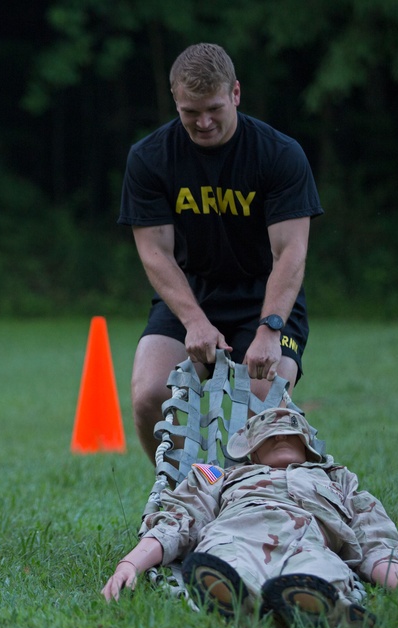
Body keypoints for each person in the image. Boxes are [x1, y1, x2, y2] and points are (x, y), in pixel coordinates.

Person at [118, 43, 323, 461]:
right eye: (190, 112)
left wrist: (269, 328)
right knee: (150, 397)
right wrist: (194, 321)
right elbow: (155, 253)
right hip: (192, 294)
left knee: (265, 414)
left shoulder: (279, 154)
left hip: (264, 298)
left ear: (235, 93)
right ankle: (185, 499)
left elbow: (290, 252)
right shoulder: (150, 158)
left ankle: (259, 505)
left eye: (213, 108)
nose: (204, 122)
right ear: (175, 100)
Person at [101, 408, 398, 628]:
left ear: (307, 446)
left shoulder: (336, 479)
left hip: (310, 540)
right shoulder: (219, 475)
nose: (279, 436)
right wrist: (129, 564)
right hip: (236, 533)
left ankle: (320, 605)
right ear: (251, 452)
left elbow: (372, 536)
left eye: (289, 433)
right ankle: (244, 596)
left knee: (321, 572)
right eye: (267, 435)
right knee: (226, 563)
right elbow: (179, 517)